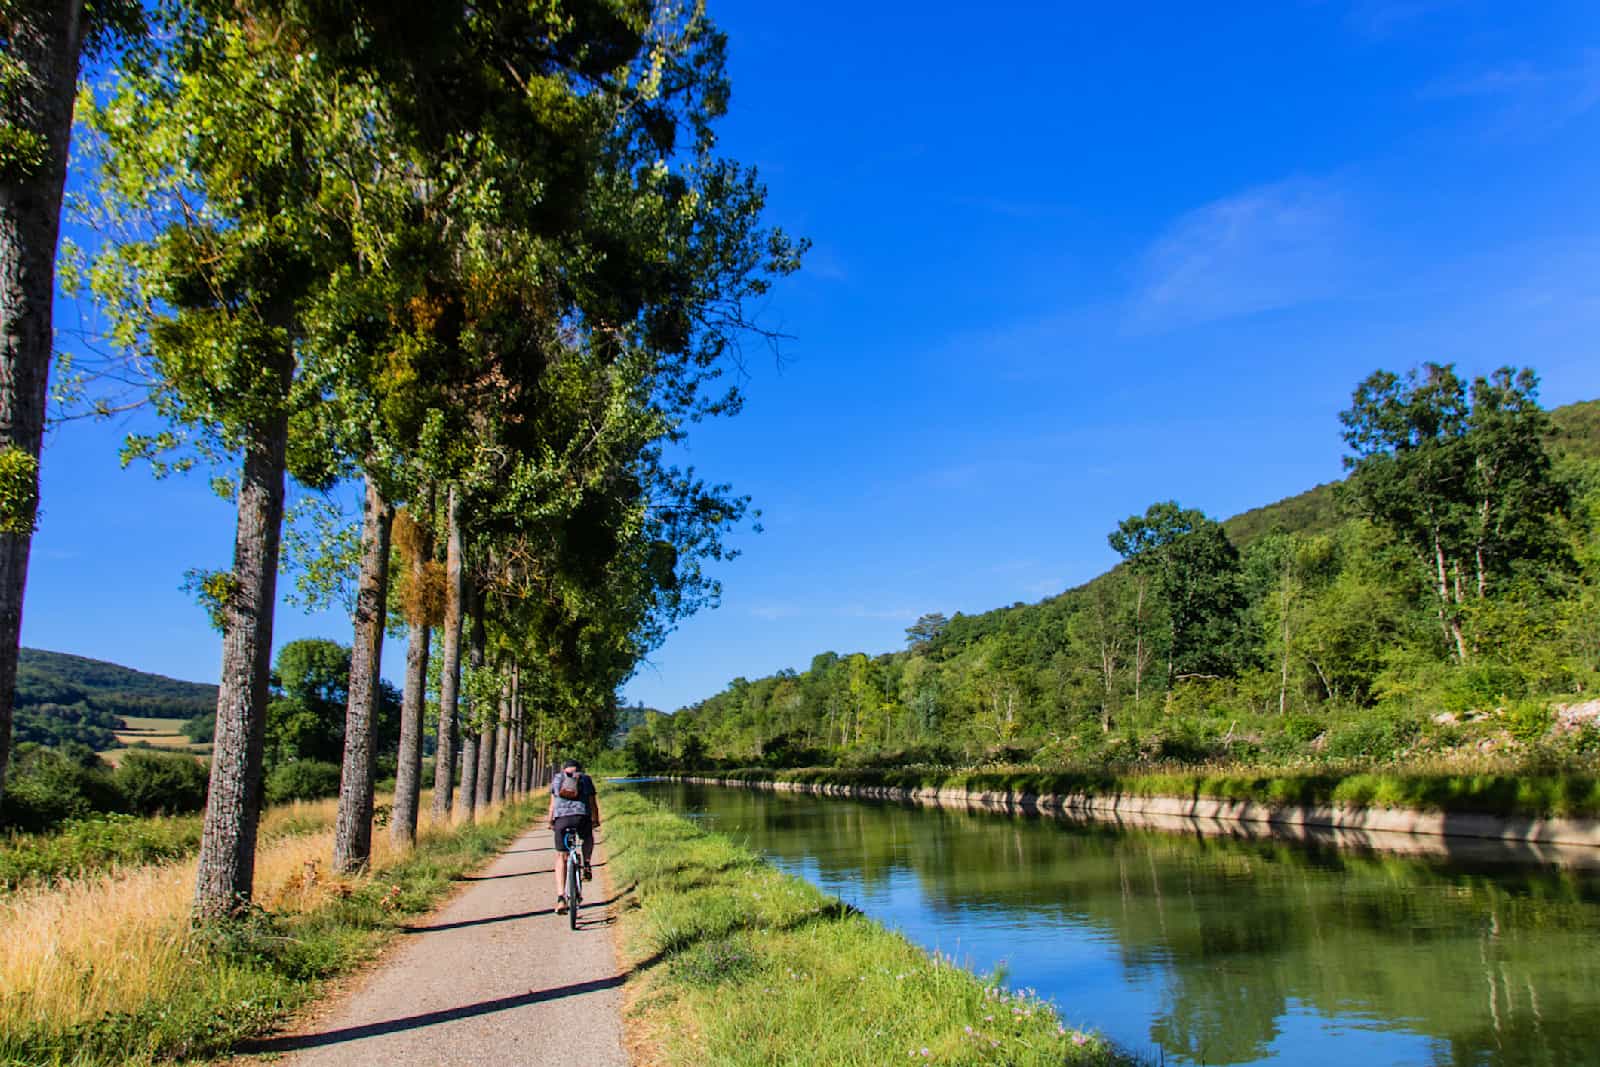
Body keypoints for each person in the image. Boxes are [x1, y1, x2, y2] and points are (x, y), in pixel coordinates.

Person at [549, 758, 600, 914]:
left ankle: (561, 898)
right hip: (581, 817)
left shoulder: (557, 779)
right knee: (588, 837)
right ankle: (586, 863)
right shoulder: (585, 779)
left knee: (561, 857)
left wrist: (551, 821)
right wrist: (595, 820)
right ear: (579, 769)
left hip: (562, 820)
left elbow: (552, 804)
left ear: (564, 769)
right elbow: (592, 803)